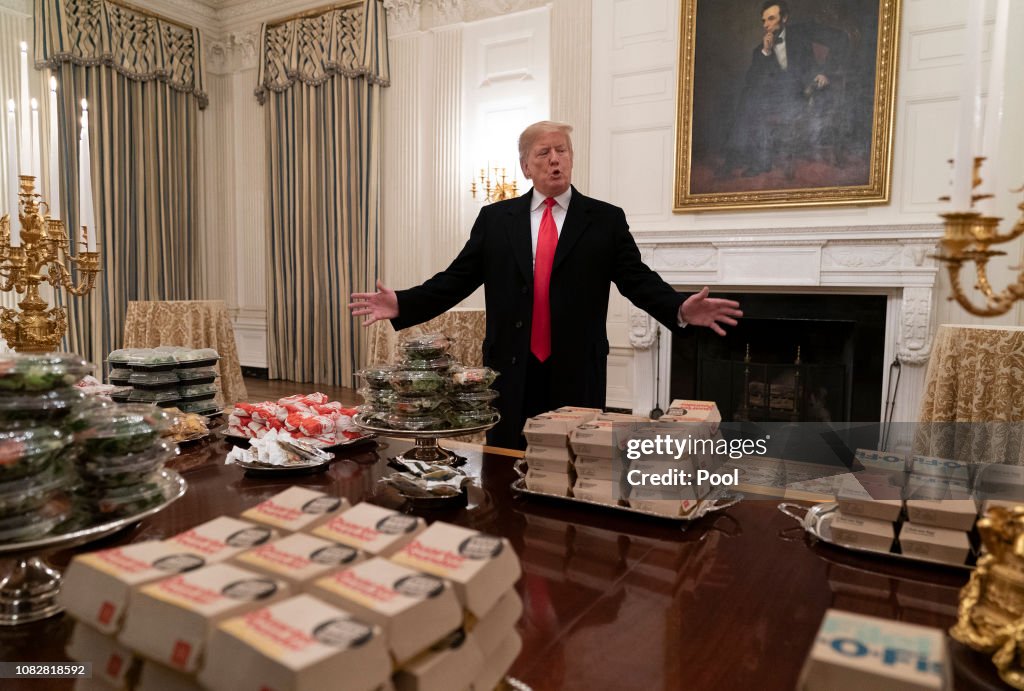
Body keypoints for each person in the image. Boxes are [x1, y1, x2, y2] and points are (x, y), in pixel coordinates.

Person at [349, 121, 742, 449]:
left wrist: (678, 307)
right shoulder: (496, 219)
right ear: (525, 166)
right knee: (506, 460)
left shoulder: (604, 219)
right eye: (544, 152)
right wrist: (403, 303)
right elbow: (457, 278)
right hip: (511, 365)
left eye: (563, 150)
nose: (555, 159)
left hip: (576, 366)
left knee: (574, 458)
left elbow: (636, 279)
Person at [722, 1, 848, 178]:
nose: (766, 24)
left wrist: (824, 73)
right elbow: (751, 80)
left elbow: (841, 38)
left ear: (785, 18)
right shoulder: (760, 50)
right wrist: (766, 52)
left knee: (750, 101)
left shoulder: (801, 36)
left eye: (771, 18)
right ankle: (753, 161)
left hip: (802, 93)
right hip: (773, 99)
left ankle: (739, 159)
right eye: (764, 20)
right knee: (750, 97)